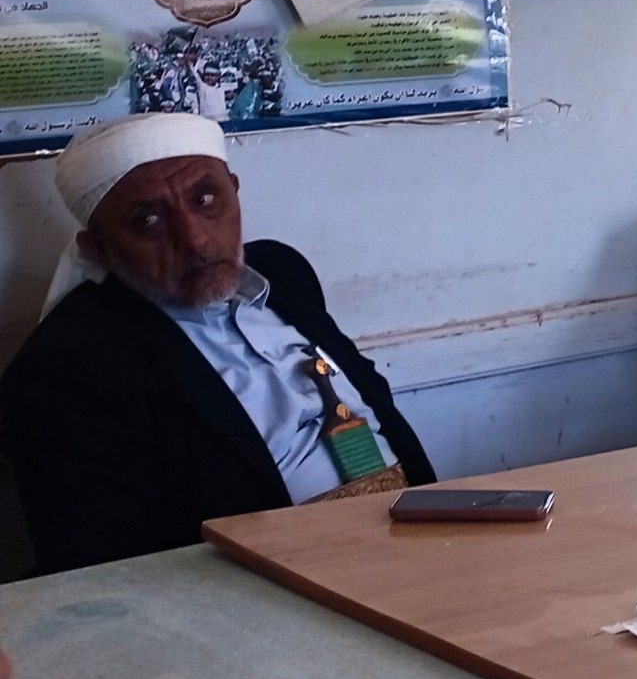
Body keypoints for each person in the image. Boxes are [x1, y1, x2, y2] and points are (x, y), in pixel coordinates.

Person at [0, 113, 433, 577]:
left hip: (424, 536)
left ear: (235, 190)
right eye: (148, 220)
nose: (194, 239)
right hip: (292, 584)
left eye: (205, 200)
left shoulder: (284, 274)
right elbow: (108, 577)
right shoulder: (69, 368)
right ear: (99, 249)